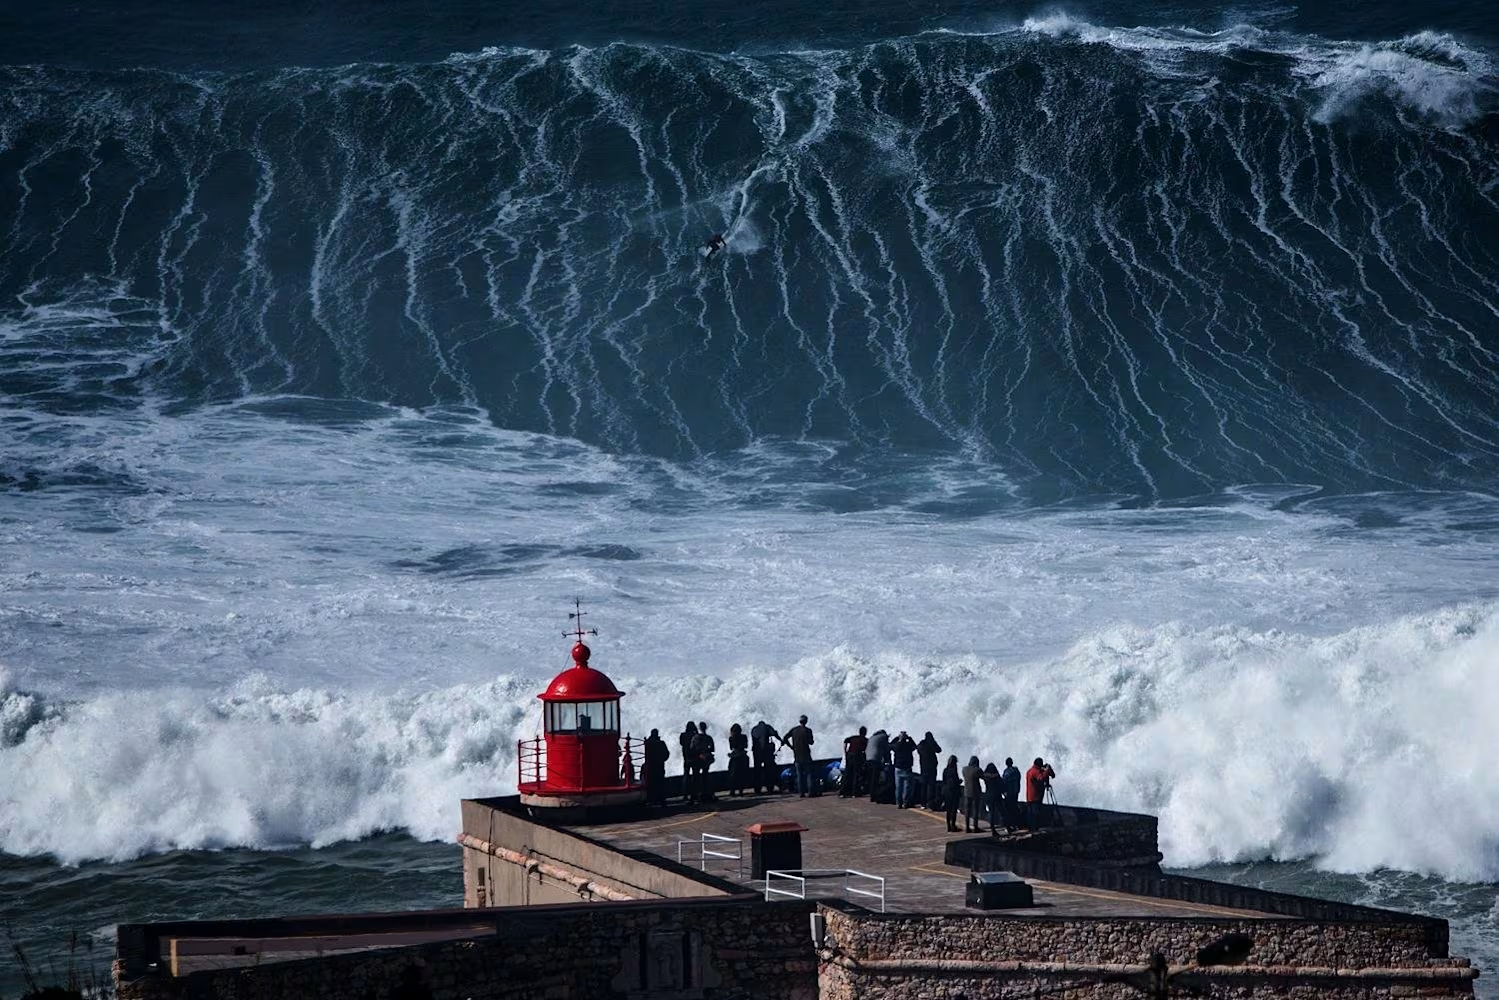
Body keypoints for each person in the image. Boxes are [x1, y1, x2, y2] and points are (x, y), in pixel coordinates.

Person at [783, 715, 816, 797]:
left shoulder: (794, 730)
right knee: (809, 774)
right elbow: (811, 742)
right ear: (806, 721)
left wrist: (791, 747)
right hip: (807, 756)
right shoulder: (808, 730)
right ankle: (810, 792)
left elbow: (785, 738)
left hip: (797, 755)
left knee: (799, 775)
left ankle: (801, 793)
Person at [1025, 757, 1056, 830]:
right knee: (1036, 813)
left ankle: (1031, 828)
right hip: (1036, 796)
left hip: (1029, 796)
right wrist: (1047, 771)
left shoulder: (1029, 771)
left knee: (1030, 813)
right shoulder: (1036, 771)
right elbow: (1041, 778)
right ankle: (1035, 828)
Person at [750, 720, 781, 793]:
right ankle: (769, 787)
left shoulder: (754, 729)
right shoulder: (767, 727)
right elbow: (774, 734)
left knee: (757, 770)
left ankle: (757, 788)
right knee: (768, 769)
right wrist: (781, 740)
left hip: (757, 752)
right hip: (766, 752)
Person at [890, 730, 918, 808]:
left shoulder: (897, 745)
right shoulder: (908, 745)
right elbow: (915, 746)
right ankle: (905, 803)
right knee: (907, 787)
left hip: (898, 768)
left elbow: (889, 745)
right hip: (907, 768)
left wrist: (896, 738)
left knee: (898, 787)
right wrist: (910, 738)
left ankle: (898, 803)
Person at [691, 722, 718, 803]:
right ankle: (706, 793)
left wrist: (699, 753)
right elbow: (712, 749)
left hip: (698, 759)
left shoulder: (695, 737)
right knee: (705, 776)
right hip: (706, 759)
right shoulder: (709, 738)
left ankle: (696, 795)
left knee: (696, 777)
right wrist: (706, 751)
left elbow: (692, 748)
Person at [643, 729, 670, 807]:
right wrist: (662, 760)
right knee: (660, 783)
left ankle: (651, 800)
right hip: (659, 766)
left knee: (651, 783)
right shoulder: (661, 743)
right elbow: (666, 754)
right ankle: (662, 800)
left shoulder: (647, 743)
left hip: (650, 766)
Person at [917, 731, 943, 808]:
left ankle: (923, 804)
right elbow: (939, 750)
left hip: (923, 768)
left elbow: (918, 749)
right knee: (931, 786)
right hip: (931, 768)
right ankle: (930, 803)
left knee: (923, 786)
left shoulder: (921, 744)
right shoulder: (931, 743)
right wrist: (934, 742)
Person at [841, 726, 869, 798]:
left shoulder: (853, 737)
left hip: (850, 755)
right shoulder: (865, 740)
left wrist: (845, 752)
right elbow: (866, 750)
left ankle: (843, 792)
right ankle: (855, 793)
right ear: (865, 733)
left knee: (847, 774)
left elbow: (845, 741)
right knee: (856, 775)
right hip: (857, 756)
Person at [865, 728, 889, 802]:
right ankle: (874, 796)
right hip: (875, 760)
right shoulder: (883, 736)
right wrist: (887, 761)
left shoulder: (872, 737)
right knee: (875, 779)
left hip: (868, 760)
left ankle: (871, 793)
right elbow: (886, 749)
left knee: (870, 778)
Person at [962, 756, 984, 833]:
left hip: (967, 792)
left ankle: (967, 828)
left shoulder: (964, 769)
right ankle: (975, 827)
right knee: (975, 810)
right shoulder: (977, 770)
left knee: (967, 811)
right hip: (975, 793)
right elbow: (984, 777)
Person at [727, 723, 750, 796]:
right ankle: (741, 791)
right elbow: (746, 746)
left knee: (732, 774)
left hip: (735, 757)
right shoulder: (744, 737)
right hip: (743, 756)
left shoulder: (731, 738)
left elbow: (731, 748)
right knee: (742, 774)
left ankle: (732, 791)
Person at [679, 721, 700, 803]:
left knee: (686, 777)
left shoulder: (683, 735)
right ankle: (694, 794)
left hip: (686, 758)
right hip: (695, 759)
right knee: (695, 777)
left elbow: (681, 743)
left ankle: (685, 795)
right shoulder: (695, 736)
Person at [999, 757, 1022, 832]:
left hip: (1009, 794)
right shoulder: (1016, 770)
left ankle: (1011, 825)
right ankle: (1017, 824)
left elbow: (1004, 782)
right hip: (1015, 792)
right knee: (1015, 808)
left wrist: (1003, 792)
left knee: (1009, 810)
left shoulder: (1007, 772)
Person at [941, 754, 962, 832]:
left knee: (948, 810)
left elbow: (944, 781)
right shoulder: (954, 771)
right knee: (953, 809)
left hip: (946, 792)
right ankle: (953, 825)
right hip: (953, 792)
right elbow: (955, 782)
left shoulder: (945, 770)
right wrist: (960, 781)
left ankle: (948, 826)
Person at [983, 761, 1002, 831]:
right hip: (997, 795)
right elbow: (1001, 785)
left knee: (991, 812)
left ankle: (992, 828)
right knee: (1002, 811)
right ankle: (1007, 827)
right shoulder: (996, 776)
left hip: (988, 795)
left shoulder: (985, 777)